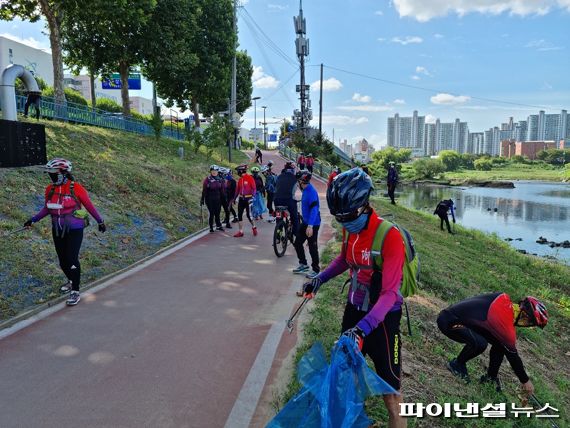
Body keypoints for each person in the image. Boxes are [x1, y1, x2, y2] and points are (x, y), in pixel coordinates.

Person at [300, 168, 407, 428]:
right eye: (339, 219)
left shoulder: (389, 236)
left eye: (348, 216)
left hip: (382, 320)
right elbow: (343, 260)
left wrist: (363, 330)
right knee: (345, 376)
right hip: (355, 309)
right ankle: (355, 419)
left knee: (390, 393)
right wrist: (319, 278)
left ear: (364, 205)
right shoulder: (351, 230)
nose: (344, 223)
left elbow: (390, 294)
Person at [24, 158, 106, 306]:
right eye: (50, 174)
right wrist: (33, 220)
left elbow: (89, 206)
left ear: (63, 173)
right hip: (57, 229)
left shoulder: (76, 188)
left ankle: (75, 290)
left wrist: (100, 221)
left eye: (54, 174)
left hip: (74, 228)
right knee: (62, 261)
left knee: (71, 258)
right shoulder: (50, 189)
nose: (51, 177)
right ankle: (71, 279)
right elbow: (47, 208)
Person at [437, 293, 548, 397]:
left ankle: (490, 378)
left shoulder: (503, 299)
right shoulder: (505, 320)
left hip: (455, 318)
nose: (525, 325)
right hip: (449, 322)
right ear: (524, 315)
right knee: (480, 343)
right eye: (528, 323)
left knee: (500, 344)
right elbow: (513, 357)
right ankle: (457, 364)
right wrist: (525, 381)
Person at [292, 170, 321, 277]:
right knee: (297, 242)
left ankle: (316, 270)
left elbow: (314, 209)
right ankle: (303, 264)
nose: (297, 183)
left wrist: (310, 226)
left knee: (312, 247)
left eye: (297, 181)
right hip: (305, 222)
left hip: (313, 224)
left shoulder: (311, 192)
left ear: (301, 181)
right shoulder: (305, 190)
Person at [274, 160, 300, 236]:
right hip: (288, 200)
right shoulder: (295, 178)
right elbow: (293, 192)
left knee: (279, 217)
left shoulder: (279, 176)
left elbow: (277, 187)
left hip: (277, 200)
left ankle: (278, 235)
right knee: (294, 217)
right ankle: (296, 235)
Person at [232, 164, 257, 238]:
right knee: (239, 215)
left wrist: (253, 197)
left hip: (248, 199)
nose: (237, 173)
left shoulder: (250, 178)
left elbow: (254, 188)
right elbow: (237, 190)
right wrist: (234, 198)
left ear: (241, 171)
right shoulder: (240, 180)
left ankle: (254, 227)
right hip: (241, 199)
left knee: (249, 215)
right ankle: (240, 231)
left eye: (238, 171)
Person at [201, 165, 225, 233]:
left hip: (218, 198)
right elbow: (204, 190)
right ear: (210, 171)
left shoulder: (220, 179)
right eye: (213, 171)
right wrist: (202, 199)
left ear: (218, 172)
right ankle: (211, 227)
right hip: (209, 199)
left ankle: (218, 226)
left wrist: (223, 199)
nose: (214, 172)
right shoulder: (207, 179)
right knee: (212, 213)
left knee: (217, 213)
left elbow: (222, 190)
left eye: (215, 171)